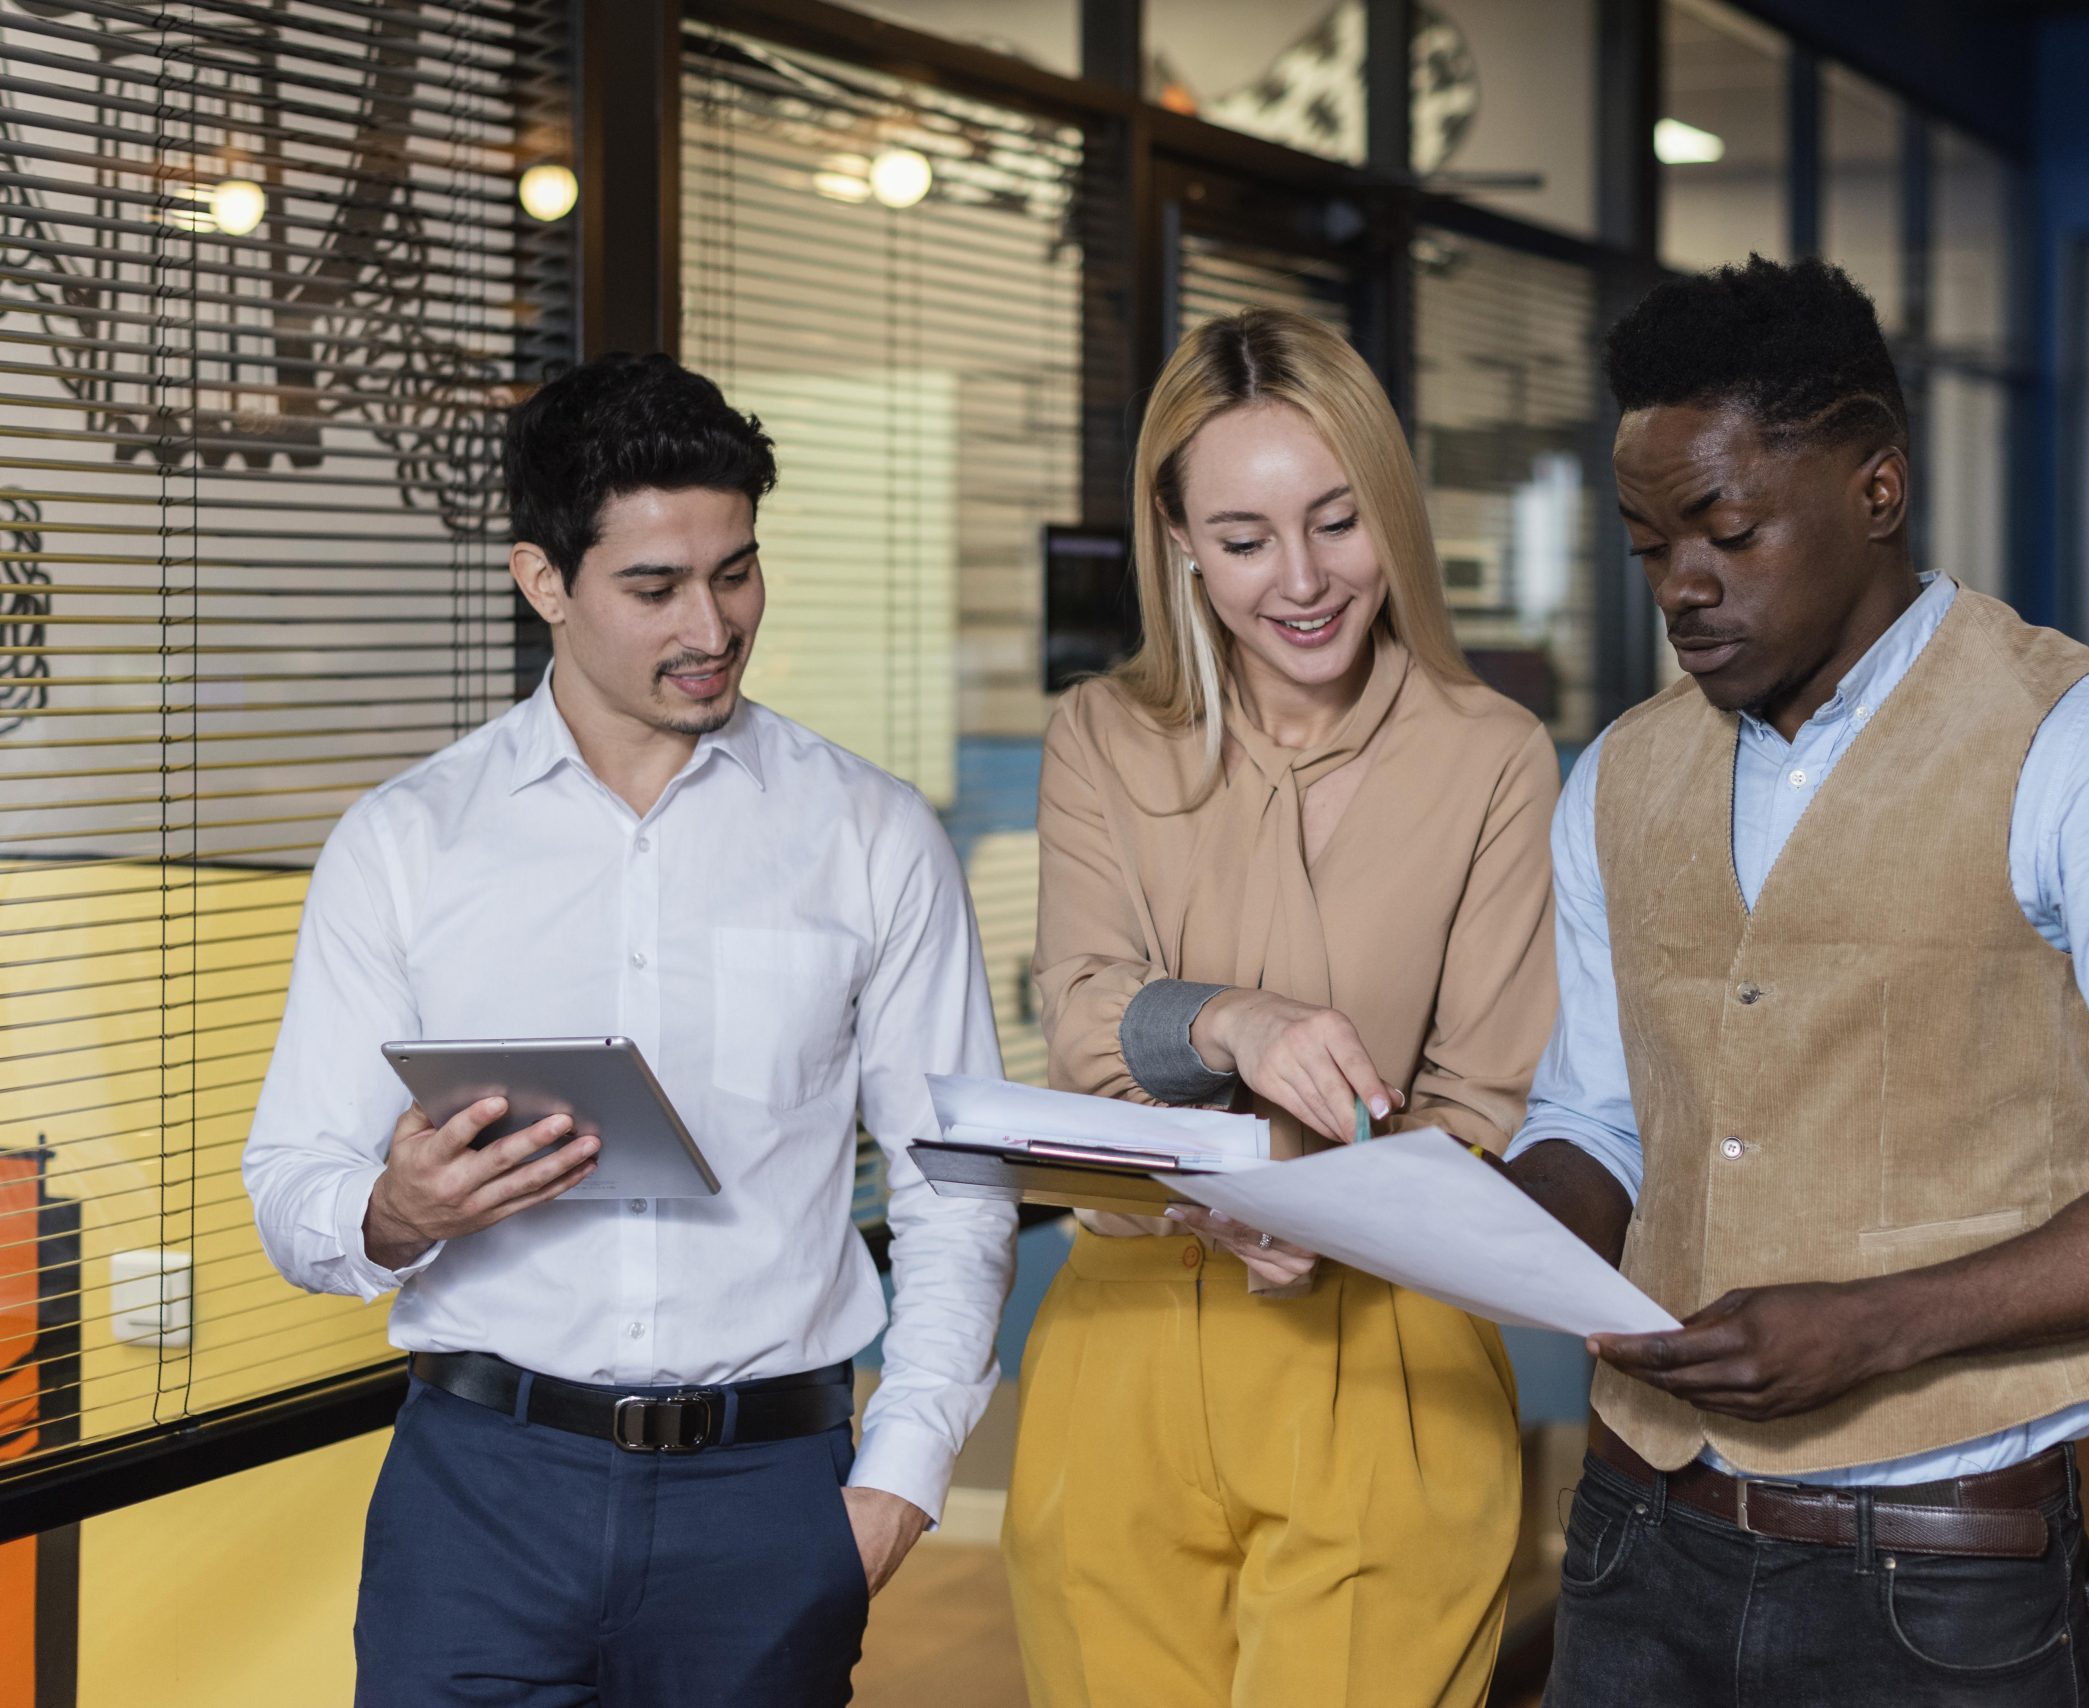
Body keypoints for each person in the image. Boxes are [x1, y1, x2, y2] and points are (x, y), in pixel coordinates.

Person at [1502, 258, 2089, 1706]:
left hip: (1939, 1580)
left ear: (1878, 488)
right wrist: (1469, 1225)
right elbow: (1602, 1116)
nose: (1683, 586)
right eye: (1646, 548)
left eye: (1728, 530)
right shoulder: (1619, 774)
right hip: (1632, 1542)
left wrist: (1880, 1322)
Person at [242, 353, 1017, 1707]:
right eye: (655, 588)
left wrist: (900, 1479)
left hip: (767, 1501)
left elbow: (959, 1186)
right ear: (543, 581)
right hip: (480, 1495)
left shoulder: (871, 835)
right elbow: (292, 1180)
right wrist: (396, 1206)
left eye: (737, 571)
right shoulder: (408, 842)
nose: (711, 624)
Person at [1004, 307, 1559, 1707]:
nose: (1302, 581)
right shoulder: (1098, 737)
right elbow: (1083, 1026)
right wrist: (1231, 1022)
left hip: (1382, 1346)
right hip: (1120, 1347)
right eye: (1245, 541)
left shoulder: (1493, 758)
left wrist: (1299, 1196)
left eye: (1337, 521)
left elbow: (1483, 1103)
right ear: (1180, 541)